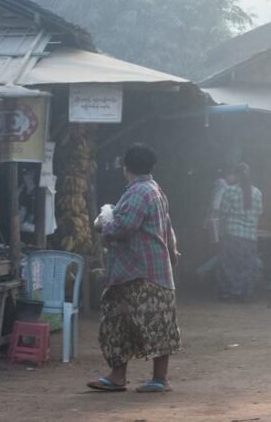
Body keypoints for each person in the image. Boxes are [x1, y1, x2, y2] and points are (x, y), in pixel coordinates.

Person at [89, 144, 181, 394]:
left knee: (121, 323)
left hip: (139, 272)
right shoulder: (155, 190)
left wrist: (101, 224)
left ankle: (140, 378)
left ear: (125, 167)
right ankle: (136, 377)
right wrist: (172, 253)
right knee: (148, 323)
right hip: (147, 272)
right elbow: (168, 228)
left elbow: (124, 226)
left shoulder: (139, 192)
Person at [216, 163, 263, 301]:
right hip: (250, 236)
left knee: (229, 265)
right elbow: (259, 213)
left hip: (232, 234)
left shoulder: (229, 191)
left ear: (236, 175)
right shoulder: (257, 193)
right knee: (246, 266)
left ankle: (230, 293)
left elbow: (223, 213)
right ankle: (243, 294)